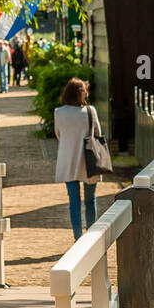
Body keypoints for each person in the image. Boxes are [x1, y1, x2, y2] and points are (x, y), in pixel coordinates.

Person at [54, 77, 101, 240]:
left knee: (74, 201)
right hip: (89, 161)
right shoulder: (90, 111)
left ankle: (78, 236)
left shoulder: (59, 113)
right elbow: (98, 134)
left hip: (69, 160)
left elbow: (59, 135)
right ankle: (91, 236)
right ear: (80, 94)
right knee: (90, 199)